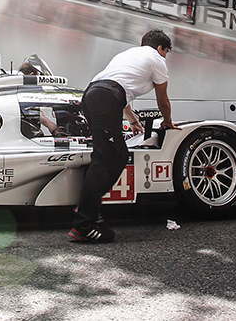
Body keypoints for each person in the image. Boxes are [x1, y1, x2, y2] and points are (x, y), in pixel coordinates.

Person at [69, 28, 180, 243]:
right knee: (106, 158)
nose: (165, 56)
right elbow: (163, 99)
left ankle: (87, 211)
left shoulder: (127, 55)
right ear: (160, 48)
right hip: (106, 98)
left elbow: (122, 88)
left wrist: (132, 120)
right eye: (166, 51)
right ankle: (83, 222)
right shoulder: (157, 59)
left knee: (116, 155)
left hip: (92, 95)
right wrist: (167, 122)